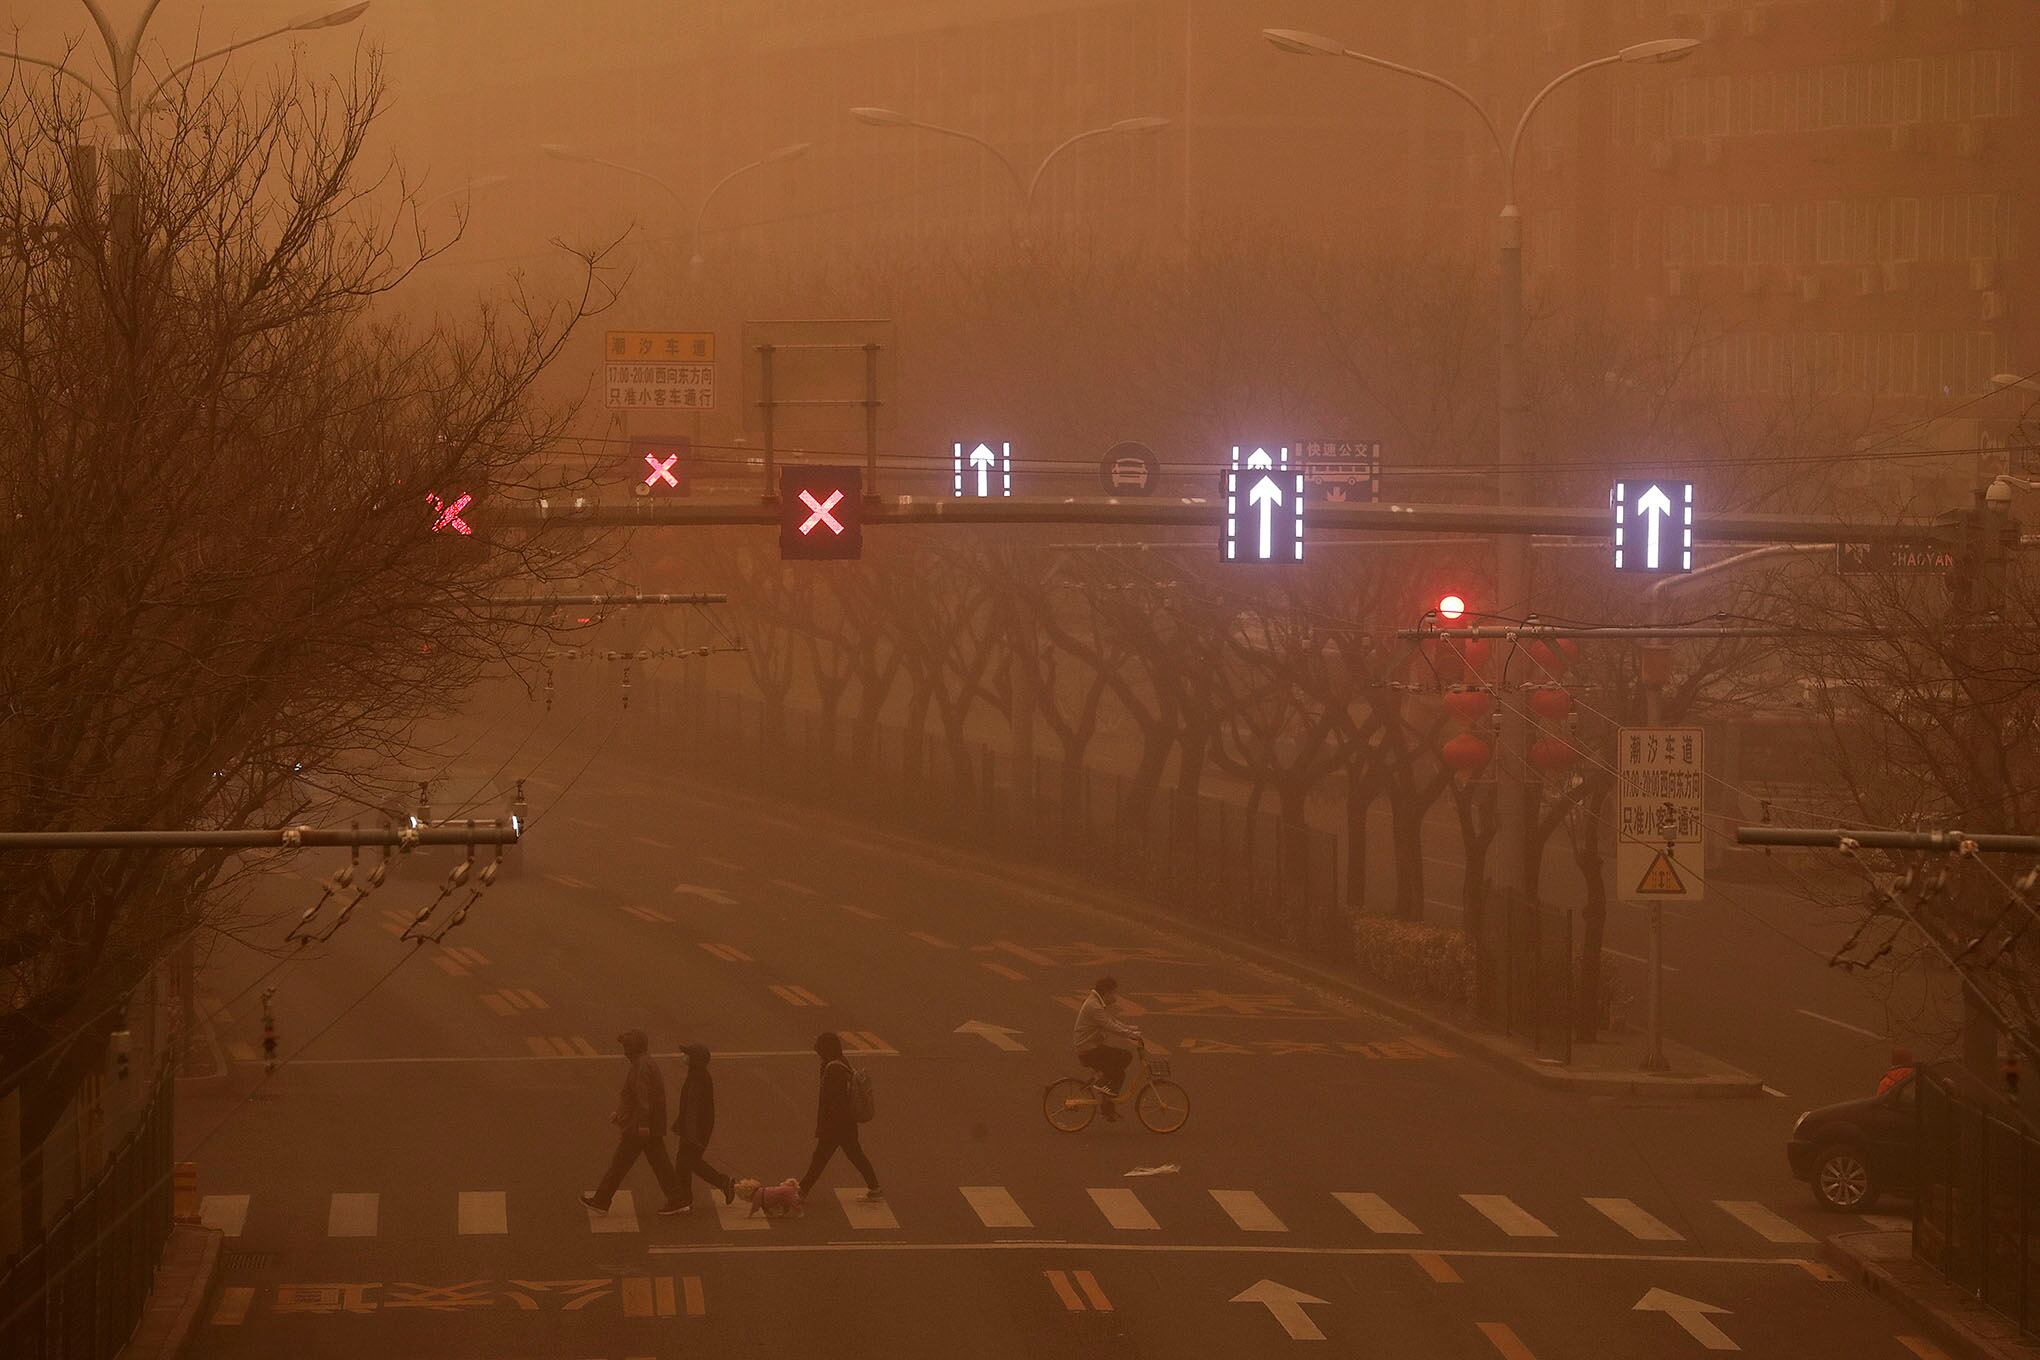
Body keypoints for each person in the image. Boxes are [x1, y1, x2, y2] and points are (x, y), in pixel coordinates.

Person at [582, 1029, 684, 1215]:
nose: (624, 1051)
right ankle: (678, 1198)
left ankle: (601, 1200)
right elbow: (634, 1096)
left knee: (619, 1165)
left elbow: (642, 1098)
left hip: (639, 1127)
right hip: (646, 1126)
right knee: (660, 1164)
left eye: (626, 1046)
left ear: (633, 1048)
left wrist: (643, 1124)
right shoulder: (644, 1063)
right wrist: (621, 1114)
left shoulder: (641, 1066)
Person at [796, 1032, 882, 1205]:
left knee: (820, 1159)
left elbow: (835, 1102)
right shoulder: (840, 1062)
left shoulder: (833, 1069)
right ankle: (874, 1187)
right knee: (854, 1155)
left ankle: (801, 1192)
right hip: (845, 1125)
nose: (817, 1050)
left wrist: (826, 1127)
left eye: (820, 1047)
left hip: (836, 1126)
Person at [668, 1043, 737, 1213]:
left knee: (688, 1162)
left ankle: (722, 1183)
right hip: (697, 1128)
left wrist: (689, 1133)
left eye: (687, 1054)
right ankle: (686, 1198)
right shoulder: (698, 1074)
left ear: (695, 1059)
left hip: (695, 1130)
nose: (684, 1057)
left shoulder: (697, 1077)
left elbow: (692, 1106)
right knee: (685, 1163)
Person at [1072, 976, 1142, 1121]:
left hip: (1091, 1047)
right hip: (1088, 1050)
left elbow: (1111, 1021)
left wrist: (1129, 1029)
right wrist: (1130, 1034)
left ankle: (1106, 1102)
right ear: (1106, 992)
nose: (1115, 996)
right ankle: (1102, 1086)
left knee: (1118, 1068)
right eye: (1114, 993)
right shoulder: (1094, 1006)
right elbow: (1109, 1025)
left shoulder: (1096, 1003)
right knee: (1121, 1067)